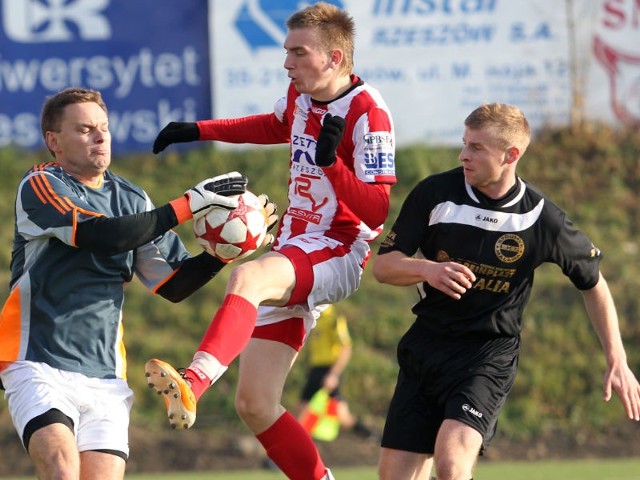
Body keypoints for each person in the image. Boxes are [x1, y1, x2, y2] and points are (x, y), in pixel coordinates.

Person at [144, 3, 395, 479]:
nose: (287, 63)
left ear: (335, 58)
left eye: (299, 53)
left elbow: (377, 211)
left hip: (339, 249)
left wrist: (332, 166)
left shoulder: (368, 112)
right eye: (287, 52)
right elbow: (274, 125)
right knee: (256, 404)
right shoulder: (300, 95)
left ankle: (193, 380)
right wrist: (198, 130)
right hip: (295, 246)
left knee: (248, 276)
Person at [0, 87, 275, 480]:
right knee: (62, 469)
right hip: (36, 360)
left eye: (103, 127)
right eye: (84, 130)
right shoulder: (40, 185)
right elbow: (102, 235)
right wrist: (186, 205)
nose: (99, 137)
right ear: (54, 142)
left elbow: (174, 285)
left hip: (105, 373)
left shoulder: (133, 199)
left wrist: (223, 253)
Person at [372, 102, 640, 480]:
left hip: (486, 355)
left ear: (511, 154)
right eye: (464, 144)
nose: (464, 155)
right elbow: (383, 266)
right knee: (394, 476)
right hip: (425, 346)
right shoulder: (436, 194)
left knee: (451, 463)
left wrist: (617, 358)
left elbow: (593, 282)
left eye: (477, 148)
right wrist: (427, 270)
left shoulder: (539, 217)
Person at [296, 304, 377, 441]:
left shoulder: (334, 320)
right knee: (307, 412)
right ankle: (373, 437)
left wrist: (333, 374)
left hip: (328, 370)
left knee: (305, 414)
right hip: (316, 369)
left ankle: (374, 437)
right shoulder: (314, 318)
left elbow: (346, 348)